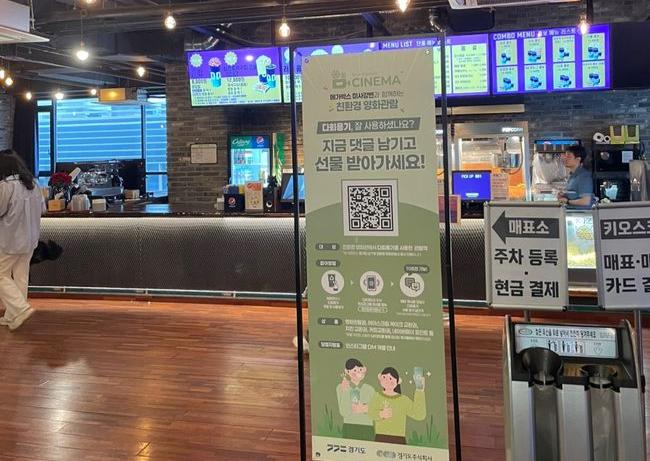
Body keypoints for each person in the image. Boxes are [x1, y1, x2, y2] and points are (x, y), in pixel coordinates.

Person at [0, 150, 44, 330]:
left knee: (1, 274)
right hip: (30, 238)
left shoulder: (6, 186)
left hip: (10, 239)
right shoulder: (34, 184)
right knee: (20, 275)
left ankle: (20, 309)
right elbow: (43, 209)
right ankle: (13, 315)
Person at [368, 367, 426, 445]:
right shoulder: (377, 396)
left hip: (398, 439)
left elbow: (419, 414)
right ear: (380, 378)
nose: (387, 381)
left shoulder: (403, 400)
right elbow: (370, 413)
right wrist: (381, 414)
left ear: (398, 381)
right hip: (380, 437)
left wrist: (420, 390)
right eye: (384, 377)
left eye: (390, 378)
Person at [336, 358, 376, 441]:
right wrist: (345, 390)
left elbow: (376, 410)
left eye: (360, 370)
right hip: (349, 426)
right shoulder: (340, 388)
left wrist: (365, 408)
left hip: (367, 426)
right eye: (354, 370)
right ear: (347, 371)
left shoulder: (369, 389)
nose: (358, 373)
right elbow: (344, 412)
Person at [557, 145, 595, 209]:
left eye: (569, 157)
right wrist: (564, 195)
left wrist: (567, 201)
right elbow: (575, 194)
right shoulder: (572, 175)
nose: (565, 159)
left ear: (578, 159)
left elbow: (585, 202)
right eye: (565, 156)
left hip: (580, 213)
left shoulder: (583, 176)